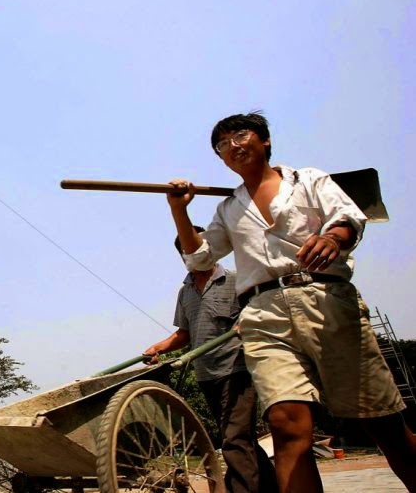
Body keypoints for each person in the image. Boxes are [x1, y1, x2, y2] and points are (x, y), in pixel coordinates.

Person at [167, 111, 416, 492]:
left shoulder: (309, 179)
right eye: (222, 144)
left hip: (325, 300)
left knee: (382, 422)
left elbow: (349, 215)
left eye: (240, 136)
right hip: (263, 313)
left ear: (265, 141)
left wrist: (334, 237)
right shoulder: (228, 209)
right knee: (286, 424)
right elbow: (200, 257)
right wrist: (179, 210)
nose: (232, 146)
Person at [144, 227, 277, 493]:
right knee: (240, 437)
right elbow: (184, 334)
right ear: (183, 257)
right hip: (207, 374)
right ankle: (274, 485)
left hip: (237, 371)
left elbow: (257, 316)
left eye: (199, 247)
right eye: (187, 251)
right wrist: (158, 347)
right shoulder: (186, 292)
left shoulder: (238, 280)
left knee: (234, 438)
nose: (193, 254)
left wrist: (245, 324)